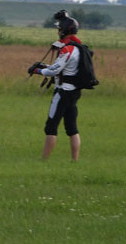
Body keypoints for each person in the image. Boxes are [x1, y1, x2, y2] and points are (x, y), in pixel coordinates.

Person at [28, 11, 85, 161]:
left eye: (59, 29)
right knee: (72, 128)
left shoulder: (67, 49)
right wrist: (44, 66)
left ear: (64, 31)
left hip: (63, 92)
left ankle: (43, 161)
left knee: (51, 127)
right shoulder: (78, 48)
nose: (58, 32)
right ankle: (75, 160)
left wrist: (37, 70)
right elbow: (63, 68)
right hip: (73, 92)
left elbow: (54, 71)